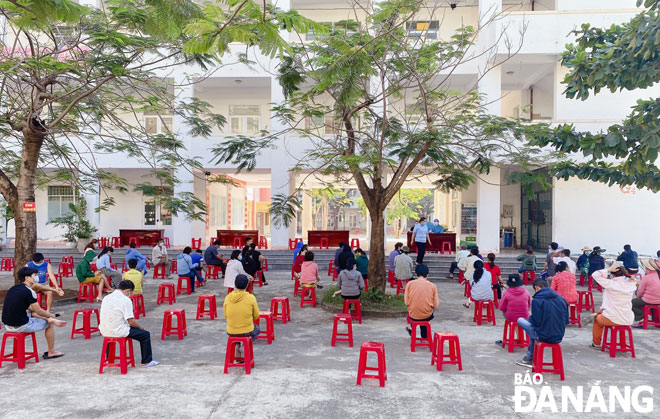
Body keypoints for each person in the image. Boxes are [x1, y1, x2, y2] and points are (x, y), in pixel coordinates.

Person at [1, 267, 67, 359]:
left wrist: (44, 314)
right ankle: (51, 351)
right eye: (35, 275)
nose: (37, 277)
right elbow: (38, 310)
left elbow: (29, 307)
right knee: (48, 325)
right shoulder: (29, 292)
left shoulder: (14, 289)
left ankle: (50, 319)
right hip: (20, 326)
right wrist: (50, 315)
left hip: (7, 325)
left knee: (29, 311)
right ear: (27, 278)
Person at [99, 280, 159, 367]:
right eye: (130, 293)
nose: (130, 295)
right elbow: (131, 321)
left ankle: (109, 358)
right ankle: (146, 361)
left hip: (104, 329)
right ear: (127, 291)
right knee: (145, 335)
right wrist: (140, 327)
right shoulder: (125, 300)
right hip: (119, 330)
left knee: (112, 330)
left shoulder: (106, 298)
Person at [516, 279, 569, 367]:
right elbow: (566, 321)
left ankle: (529, 358)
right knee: (533, 329)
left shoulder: (537, 300)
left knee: (521, 321)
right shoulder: (562, 299)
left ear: (537, 288)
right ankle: (529, 357)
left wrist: (531, 318)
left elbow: (536, 322)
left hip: (543, 335)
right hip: (559, 335)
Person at [589, 263, 637, 348]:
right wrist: (631, 278)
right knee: (602, 313)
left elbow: (595, 275)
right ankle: (622, 345)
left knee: (597, 319)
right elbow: (634, 280)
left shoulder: (610, 284)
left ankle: (596, 343)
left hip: (613, 318)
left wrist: (608, 269)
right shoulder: (630, 284)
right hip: (627, 318)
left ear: (613, 275)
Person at [223, 274, 260, 358]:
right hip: (247, 330)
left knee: (236, 331)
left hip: (231, 330)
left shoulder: (228, 297)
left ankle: (237, 346)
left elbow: (225, 315)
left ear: (235, 284)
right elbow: (256, 315)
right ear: (247, 285)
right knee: (256, 329)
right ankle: (243, 348)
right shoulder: (250, 297)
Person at [495, 274, 531, 345]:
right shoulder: (526, 292)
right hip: (524, 315)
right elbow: (529, 305)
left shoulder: (507, 293)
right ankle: (521, 338)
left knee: (508, 312)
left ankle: (519, 337)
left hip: (511, 317)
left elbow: (501, 307)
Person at [404, 264, 438, 339]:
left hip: (413, 314)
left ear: (416, 274)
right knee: (426, 316)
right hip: (427, 314)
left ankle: (411, 328)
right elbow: (436, 304)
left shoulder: (409, 284)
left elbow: (406, 302)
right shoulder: (432, 286)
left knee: (413, 311)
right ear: (427, 274)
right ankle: (425, 336)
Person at [632, 259, 660, 327]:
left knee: (632, 303)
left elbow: (640, 293)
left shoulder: (646, 277)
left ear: (648, 269)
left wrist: (638, 295)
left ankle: (640, 318)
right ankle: (655, 320)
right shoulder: (658, 275)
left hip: (649, 300)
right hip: (658, 300)